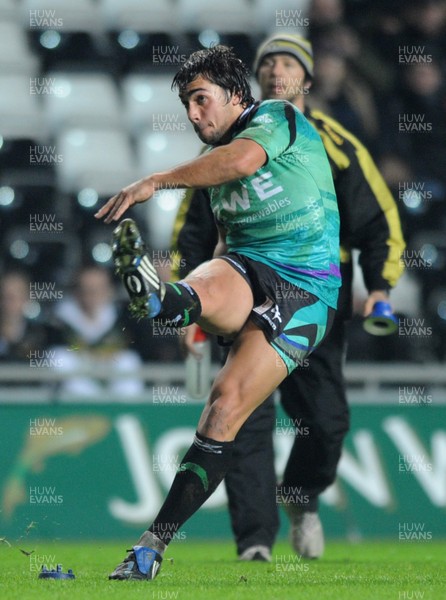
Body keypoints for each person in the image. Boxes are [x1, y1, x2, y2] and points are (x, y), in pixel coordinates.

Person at [95, 44, 341, 580]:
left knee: (227, 407)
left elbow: (245, 159)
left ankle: (170, 301)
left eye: (201, 99)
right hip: (246, 266)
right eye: (187, 103)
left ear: (235, 95)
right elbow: (225, 246)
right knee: (219, 385)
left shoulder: (278, 117)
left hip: (307, 289)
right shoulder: (215, 175)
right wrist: (201, 315)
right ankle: (164, 300)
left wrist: (154, 180)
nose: (192, 114)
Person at [171, 34, 405, 561]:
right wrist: (191, 301)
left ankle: (301, 498)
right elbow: (193, 230)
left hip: (315, 297)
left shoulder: (336, 142)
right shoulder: (224, 150)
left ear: (309, 78)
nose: (277, 70)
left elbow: (378, 220)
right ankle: (255, 542)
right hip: (243, 290)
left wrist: (381, 285)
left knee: (325, 422)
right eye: (268, 62)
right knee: (240, 417)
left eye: (288, 62)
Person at [51, 264, 145, 398]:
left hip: (110, 372)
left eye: (98, 289)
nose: (93, 295)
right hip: (80, 377)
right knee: (58, 358)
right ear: (76, 292)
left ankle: (126, 413)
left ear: (109, 291)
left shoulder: (122, 319)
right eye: (86, 289)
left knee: (129, 361)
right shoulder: (59, 323)